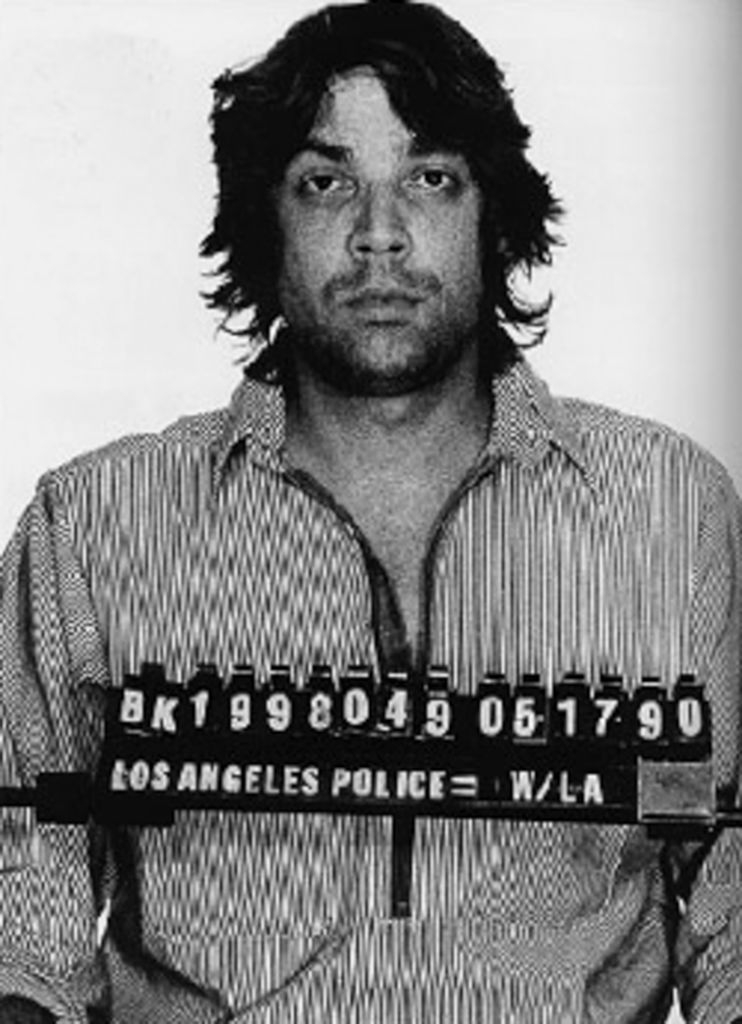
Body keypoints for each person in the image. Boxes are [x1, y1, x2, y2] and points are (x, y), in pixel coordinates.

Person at [1, 1, 740, 1021]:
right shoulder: (92, 526)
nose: (378, 235)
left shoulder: (670, 509)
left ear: (494, 217)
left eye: (429, 178)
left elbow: (733, 890)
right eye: (326, 181)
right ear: (264, 220)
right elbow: (21, 928)